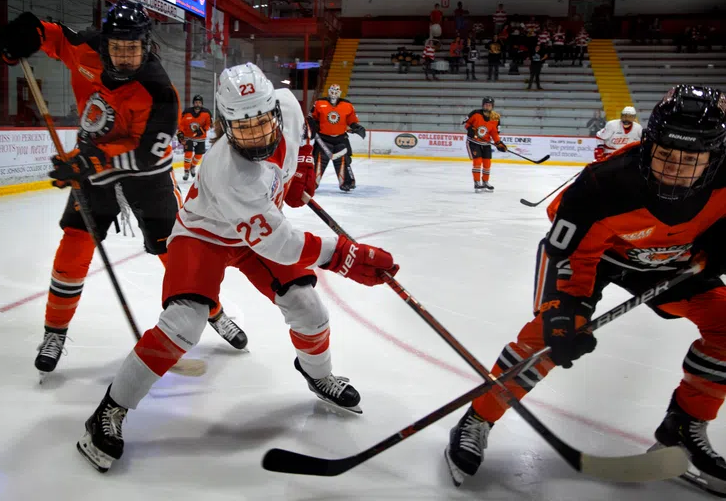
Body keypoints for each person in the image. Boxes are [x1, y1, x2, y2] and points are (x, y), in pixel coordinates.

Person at [75, 62, 400, 473]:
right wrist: (346, 255)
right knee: (184, 323)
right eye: (243, 130)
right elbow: (282, 245)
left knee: (310, 310)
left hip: (257, 233)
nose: (258, 136)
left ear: (275, 111)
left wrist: (299, 168)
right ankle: (108, 410)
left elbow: (300, 139)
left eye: (264, 124)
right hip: (204, 237)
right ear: (226, 127)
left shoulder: (288, 105)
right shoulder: (228, 170)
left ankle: (319, 375)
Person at [444, 85, 726, 495]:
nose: (674, 170)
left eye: (690, 159)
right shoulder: (603, 185)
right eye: (665, 154)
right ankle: (478, 417)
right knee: (549, 336)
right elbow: (564, 252)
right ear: (648, 145)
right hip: (596, 258)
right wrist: (563, 309)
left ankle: (682, 427)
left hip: (675, 259)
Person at [0, 3, 249, 381]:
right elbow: (51, 35)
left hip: (147, 176)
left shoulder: (158, 89)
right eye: (117, 48)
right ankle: (54, 334)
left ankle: (214, 313)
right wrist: (27, 35)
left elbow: (146, 154)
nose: (125, 56)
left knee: (178, 254)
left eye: (133, 48)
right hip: (93, 167)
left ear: (145, 45)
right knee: (74, 245)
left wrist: (88, 162)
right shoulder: (87, 48)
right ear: (106, 44)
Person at [310, 84, 366, 192]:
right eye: (332, 91)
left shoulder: (347, 104)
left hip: (341, 138)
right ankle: (312, 183)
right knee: (319, 161)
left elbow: (352, 120)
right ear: (328, 91)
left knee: (344, 161)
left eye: (336, 91)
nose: (334, 94)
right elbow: (312, 117)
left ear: (340, 92)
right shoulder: (319, 103)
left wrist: (356, 127)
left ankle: (347, 183)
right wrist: (311, 126)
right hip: (322, 139)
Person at [463, 96, 507, 193]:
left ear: (492, 106)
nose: (487, 107)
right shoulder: (475, 113)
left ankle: (485, 182)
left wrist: (498, 143)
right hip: (473, 142)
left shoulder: (495, 117)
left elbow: (494, 133)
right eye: (486, 105)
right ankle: (477, 182)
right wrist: (470, 129)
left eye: (490, 105)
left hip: (486, 143)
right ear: (483, 105)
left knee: (487, 164)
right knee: (477, 162)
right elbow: (466, 123)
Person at [178, 94, 212, 181]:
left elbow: (208, 124)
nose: (197, 104)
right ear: (193, 103)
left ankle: (192, 166)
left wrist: (202, 131)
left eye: (199, 103)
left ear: (202, 104)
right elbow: (181, 124)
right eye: (196, 102)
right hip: (188, 137)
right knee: (188, 154)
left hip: (200, 137)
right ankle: (186, 171)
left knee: (199, 155)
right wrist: (180, 133)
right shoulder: (187, 112)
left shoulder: (206, 113)